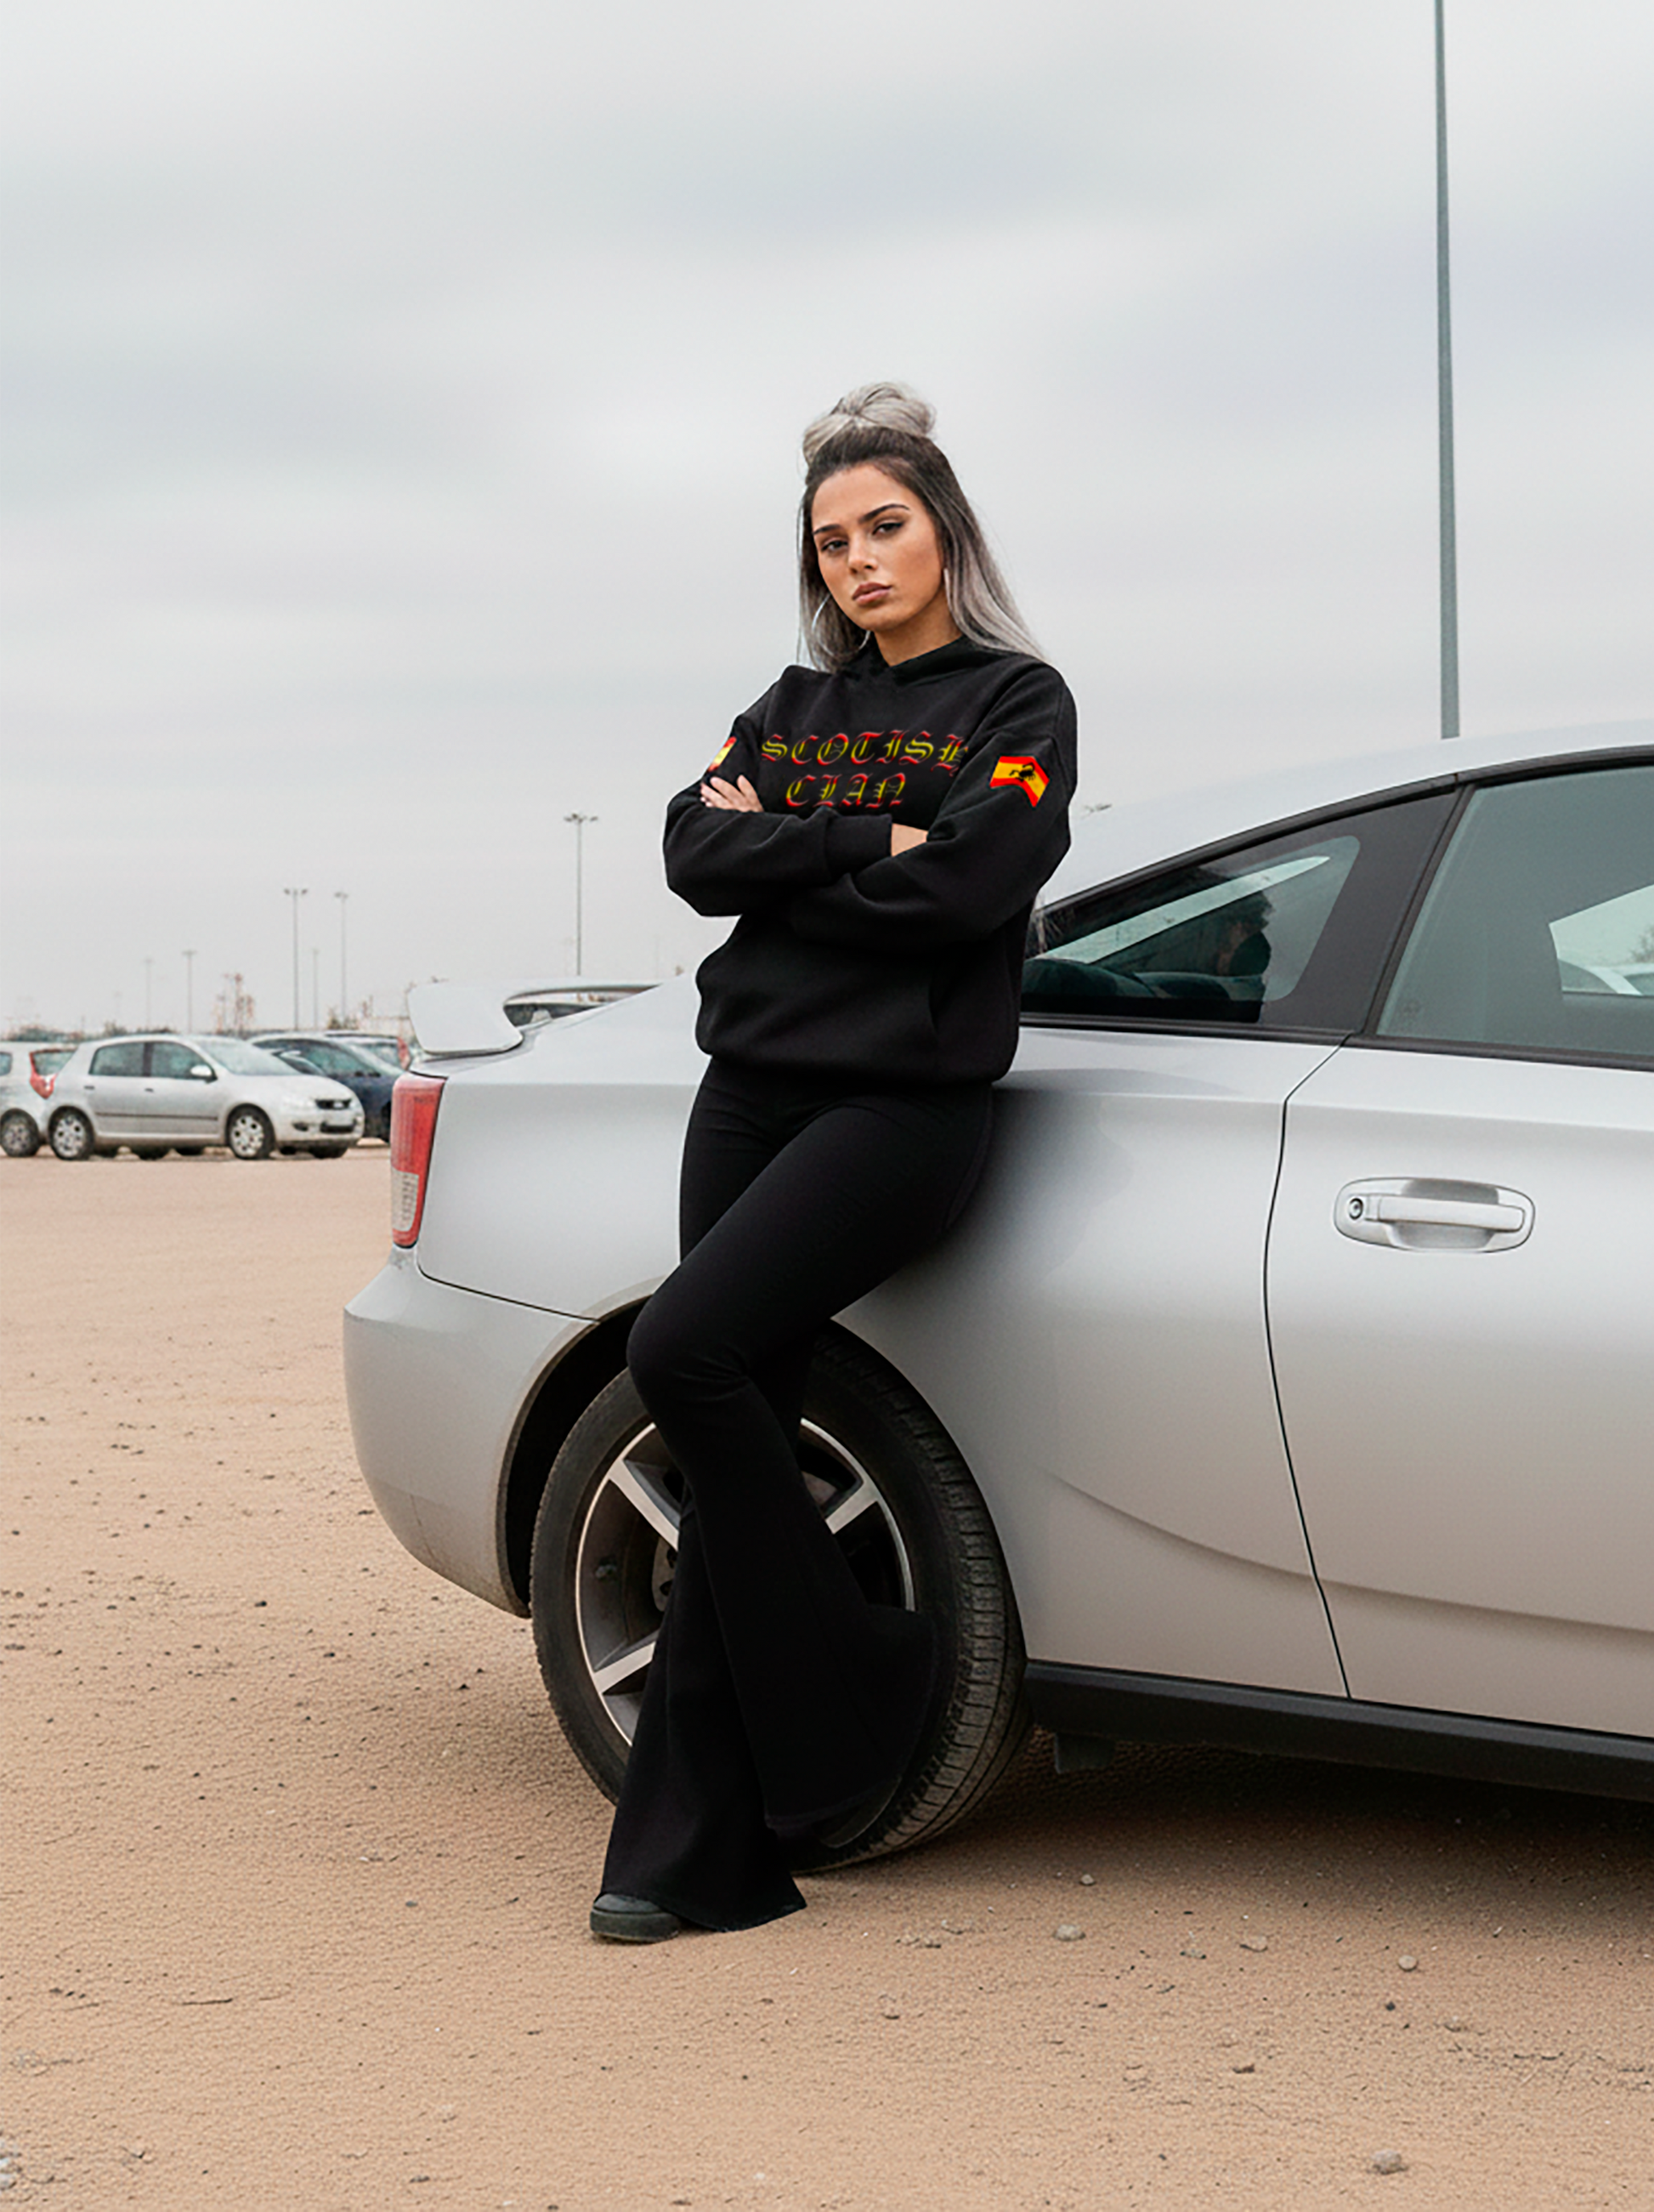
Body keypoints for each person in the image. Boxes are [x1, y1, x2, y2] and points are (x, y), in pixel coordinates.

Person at [591, 382, 1079, 1942]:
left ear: (943, 532)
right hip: (746, 1093)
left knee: (686, 1347)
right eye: (832, 542)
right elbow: (687, 850)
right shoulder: (792, 711)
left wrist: (792, 855)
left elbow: (977, 888)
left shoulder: (1018, 703)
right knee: (723, 1420)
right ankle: (698, 1854)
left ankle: (863, 1684)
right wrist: (875, 843)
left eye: (885, 527)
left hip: (896, 1112)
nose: (860, 561)